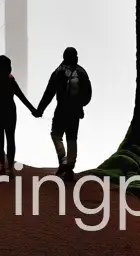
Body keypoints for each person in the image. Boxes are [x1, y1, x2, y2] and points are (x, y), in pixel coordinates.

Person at [34, 46, 92, 181]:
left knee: (56, 135)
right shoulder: (82, 72)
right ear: (75, 57)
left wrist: (40, 109)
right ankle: (70, 167)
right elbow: (88, 93)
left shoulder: (58, 72)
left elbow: (49, 92)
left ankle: (63, 160)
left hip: (61, 110)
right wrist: (81, 106)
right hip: (75, 112)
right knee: (72, 138)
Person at [0, 55, 36, 175]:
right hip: (10, 111)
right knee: (10, 139)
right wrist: (33, 110)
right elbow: (21, 95)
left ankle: (3, 166)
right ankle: (10, 168)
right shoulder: (10, 78)